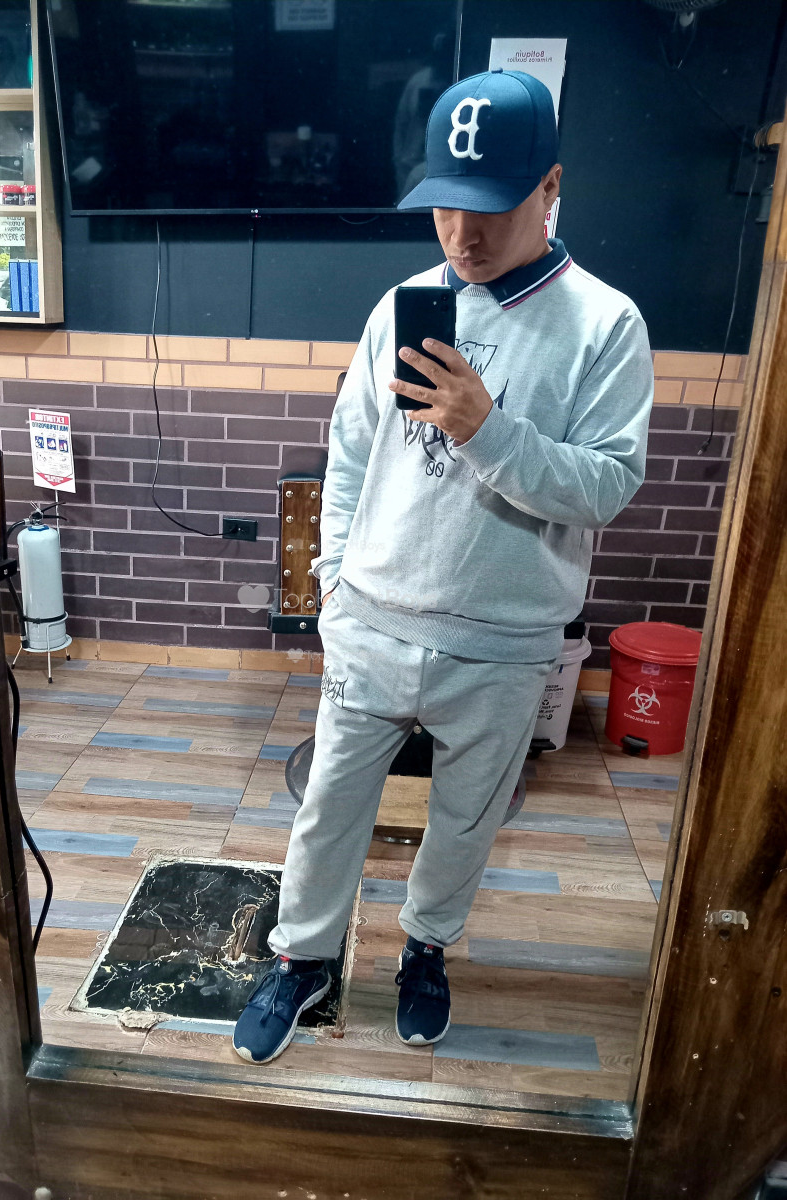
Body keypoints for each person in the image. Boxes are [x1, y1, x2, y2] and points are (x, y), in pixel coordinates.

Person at [232, 68, 655, 1065]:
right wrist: (334, 584)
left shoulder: (607, 325)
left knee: (466, 820)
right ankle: (303, 958)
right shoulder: (401, 307)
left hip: (505, 642)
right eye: (446, 207)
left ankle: (426, 949)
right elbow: (347, 457)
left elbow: (607, 487)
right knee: (331, 808)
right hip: (373, 621)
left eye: (492, 207)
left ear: (550, 187)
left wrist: (485, 430)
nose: (464, 236)